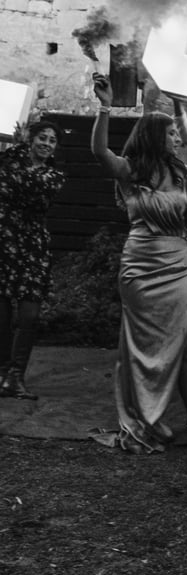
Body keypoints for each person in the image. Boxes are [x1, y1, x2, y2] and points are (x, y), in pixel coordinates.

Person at [91, 73, 187, 453]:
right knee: (140, 344)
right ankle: (147, 415)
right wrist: (105, 106)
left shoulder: (180, 174)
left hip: (177, 265)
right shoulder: (131, 171)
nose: (178, 139)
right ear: (154, 136)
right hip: (140, 267)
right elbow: (99, 153)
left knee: (182, 339)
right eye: (172, 135)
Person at [0, 119, 66, 400]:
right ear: (31, 138)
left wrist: (15, 163)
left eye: (52, 141)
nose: (46, 144)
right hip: (4, 239)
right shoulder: (9, 159)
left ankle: (16, 376)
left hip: (33, 246)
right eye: (42, 137)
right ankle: (3, 374)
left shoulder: (54, 177)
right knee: (1, 311)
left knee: (30, 314)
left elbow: (26, 187)